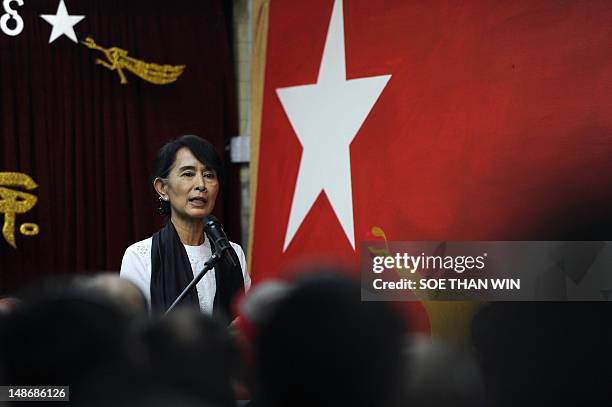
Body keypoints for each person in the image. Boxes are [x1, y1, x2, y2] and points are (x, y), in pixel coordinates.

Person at [120, 135, 250, 320]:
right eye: (188, 174)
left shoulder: (232, 254)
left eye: (209, 175)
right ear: (162, 188)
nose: (201, 185)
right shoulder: (141, 256)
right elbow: (136, 334)